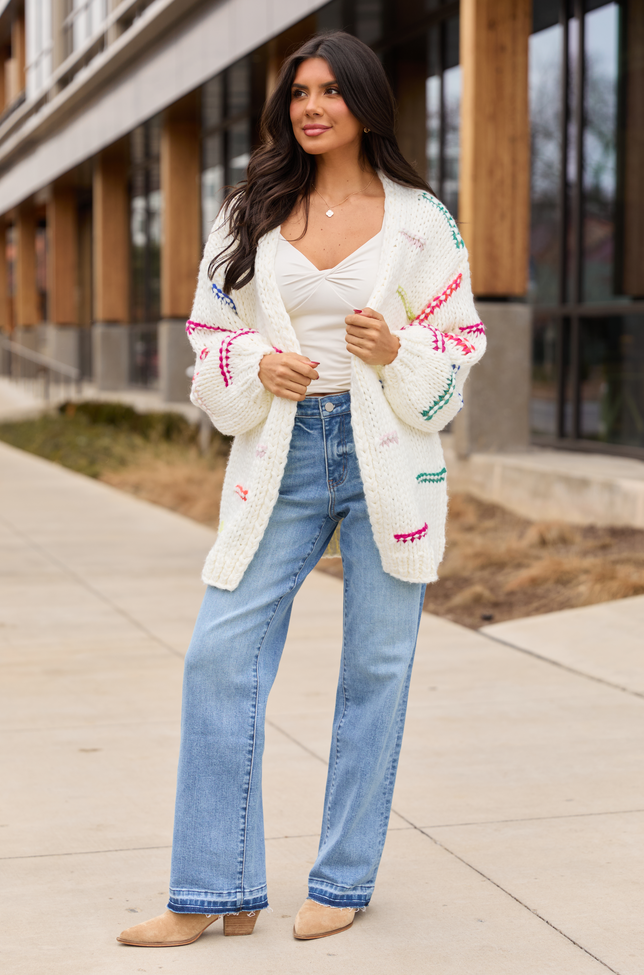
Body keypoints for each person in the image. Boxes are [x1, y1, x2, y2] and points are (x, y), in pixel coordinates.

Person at [117, 30, 485, 948]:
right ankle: (213, 890)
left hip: (384, 456)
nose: (311, 107)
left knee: (376, 670)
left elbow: (460, 344)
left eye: (329, 91)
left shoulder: (421, 220)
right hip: (282, 453)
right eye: (299, 93)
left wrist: (397, 349)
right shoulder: (248, 210)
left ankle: (344, 877)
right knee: (217, 656)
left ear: (365, 102)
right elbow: (210, 331)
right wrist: (257, 364)